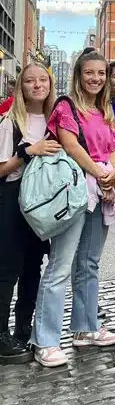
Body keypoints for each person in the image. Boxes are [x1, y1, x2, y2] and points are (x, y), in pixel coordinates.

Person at [32, 49, 115, 368]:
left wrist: (112, 176)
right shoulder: (66, 106)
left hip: (101, 191)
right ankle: (45, 340)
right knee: (60, 265)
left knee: (89, 263)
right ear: (78, 75)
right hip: (72, 191)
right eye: (90, 73)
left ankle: (85, 328)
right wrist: (102, 174)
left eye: (101, 73)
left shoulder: (105, 110)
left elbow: (114, 149)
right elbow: (71, 146)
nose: (96, 78)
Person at [0, 63, 58, 363]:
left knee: (34, 265)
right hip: (13, 201)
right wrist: (26, 152)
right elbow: (1, 169)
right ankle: (0, 335)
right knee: (8, 268)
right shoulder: (10, 122)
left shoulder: (55, 120)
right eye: (30, 81)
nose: (37, 85)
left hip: (43, 203)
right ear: (21, 88)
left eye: (42, 80)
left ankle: (24, 329)